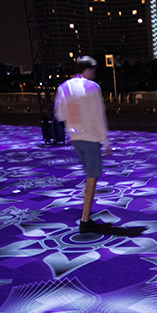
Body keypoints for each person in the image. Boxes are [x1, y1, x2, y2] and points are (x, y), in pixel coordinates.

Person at [54, 55, 111, 233]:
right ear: (88, 69)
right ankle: (85, 220)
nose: (94, 74)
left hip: (75, 139)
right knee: (91, 180)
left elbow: (60, 115)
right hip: (91, 139)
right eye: (93, 71)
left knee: (89, 177)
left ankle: (86, 216)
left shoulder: (64, 87)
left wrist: (75, 119)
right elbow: (98, 116)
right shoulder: (92, 87)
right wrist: (105, 142)